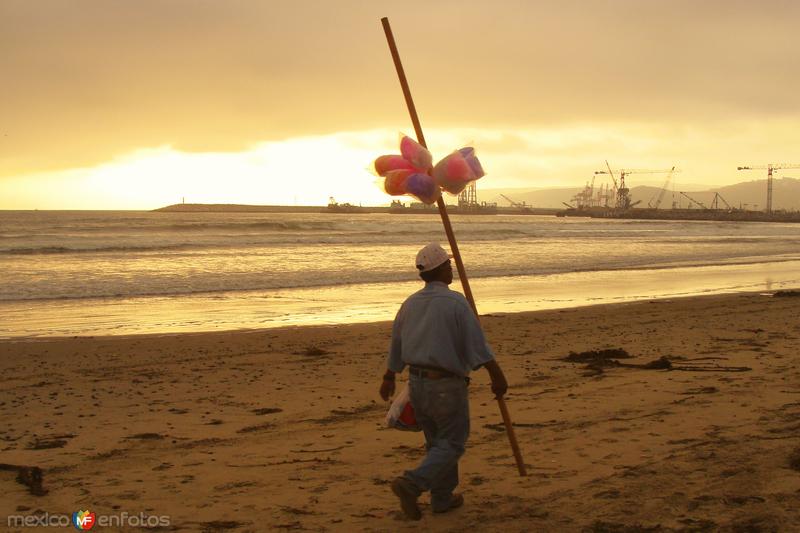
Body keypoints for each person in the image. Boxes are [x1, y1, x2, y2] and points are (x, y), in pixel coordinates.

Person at [379, 242, 508, 520]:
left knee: (437, 443)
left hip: (417, 384)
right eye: (448, 266)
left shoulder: (410, 303)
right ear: (441, 270)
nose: (452, 269)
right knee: (452, 443)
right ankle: (412, 483)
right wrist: (496, 374)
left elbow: (397, 344)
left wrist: (389, 375)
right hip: (446, 385)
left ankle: (442, 498)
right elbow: (476, 345)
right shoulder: (455, 302)